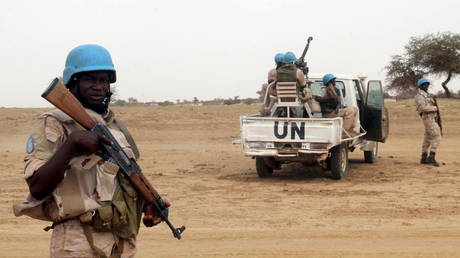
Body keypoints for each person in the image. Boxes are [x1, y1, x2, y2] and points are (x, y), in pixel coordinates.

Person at [13, 44, 165, 257]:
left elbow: (123, 180)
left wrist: (148, 203)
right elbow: (37, 186)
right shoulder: (55, 123)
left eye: (103, 80)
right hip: (78, 241)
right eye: (89, 79)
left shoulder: (115, 126)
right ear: (72, 83)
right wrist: (71, 145)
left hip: (121, 242)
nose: (98, 86)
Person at [414, 78, 441, 166]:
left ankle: (424, 157)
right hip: (427, 118)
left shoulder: (427, 95)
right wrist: (435, 108)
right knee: (437, 135)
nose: (427, 86)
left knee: (428, 137)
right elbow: (422, 108)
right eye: (425, 84)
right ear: (421, 86)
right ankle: (432, 157)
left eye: (427, 84)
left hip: (432, 118)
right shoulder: (419, 96)